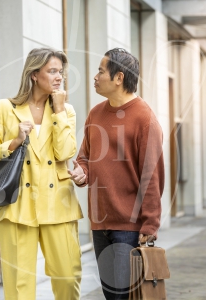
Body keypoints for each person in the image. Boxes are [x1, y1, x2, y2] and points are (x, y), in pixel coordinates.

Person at [0, 48, 83, 300]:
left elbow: (65, 152)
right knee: (20, 289)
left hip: (58, 204)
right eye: (52, 71)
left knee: (68, 278)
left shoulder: (66, 110)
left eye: (61, 72)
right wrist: (15, 141)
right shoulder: (5, 108)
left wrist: (59, 110)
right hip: (17, 206)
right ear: (34, 74)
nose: (59, 77)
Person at [68, 48, 165, 300]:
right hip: (100, 223)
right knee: (112, 295)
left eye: (101, 71)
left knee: (125, 296)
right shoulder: (96, 113)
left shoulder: (145, 119)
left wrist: (150, 223)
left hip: (129, 227)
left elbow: (151, 177)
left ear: (119, 78)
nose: (96, 76)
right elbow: (85, 157)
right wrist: (82, 172)